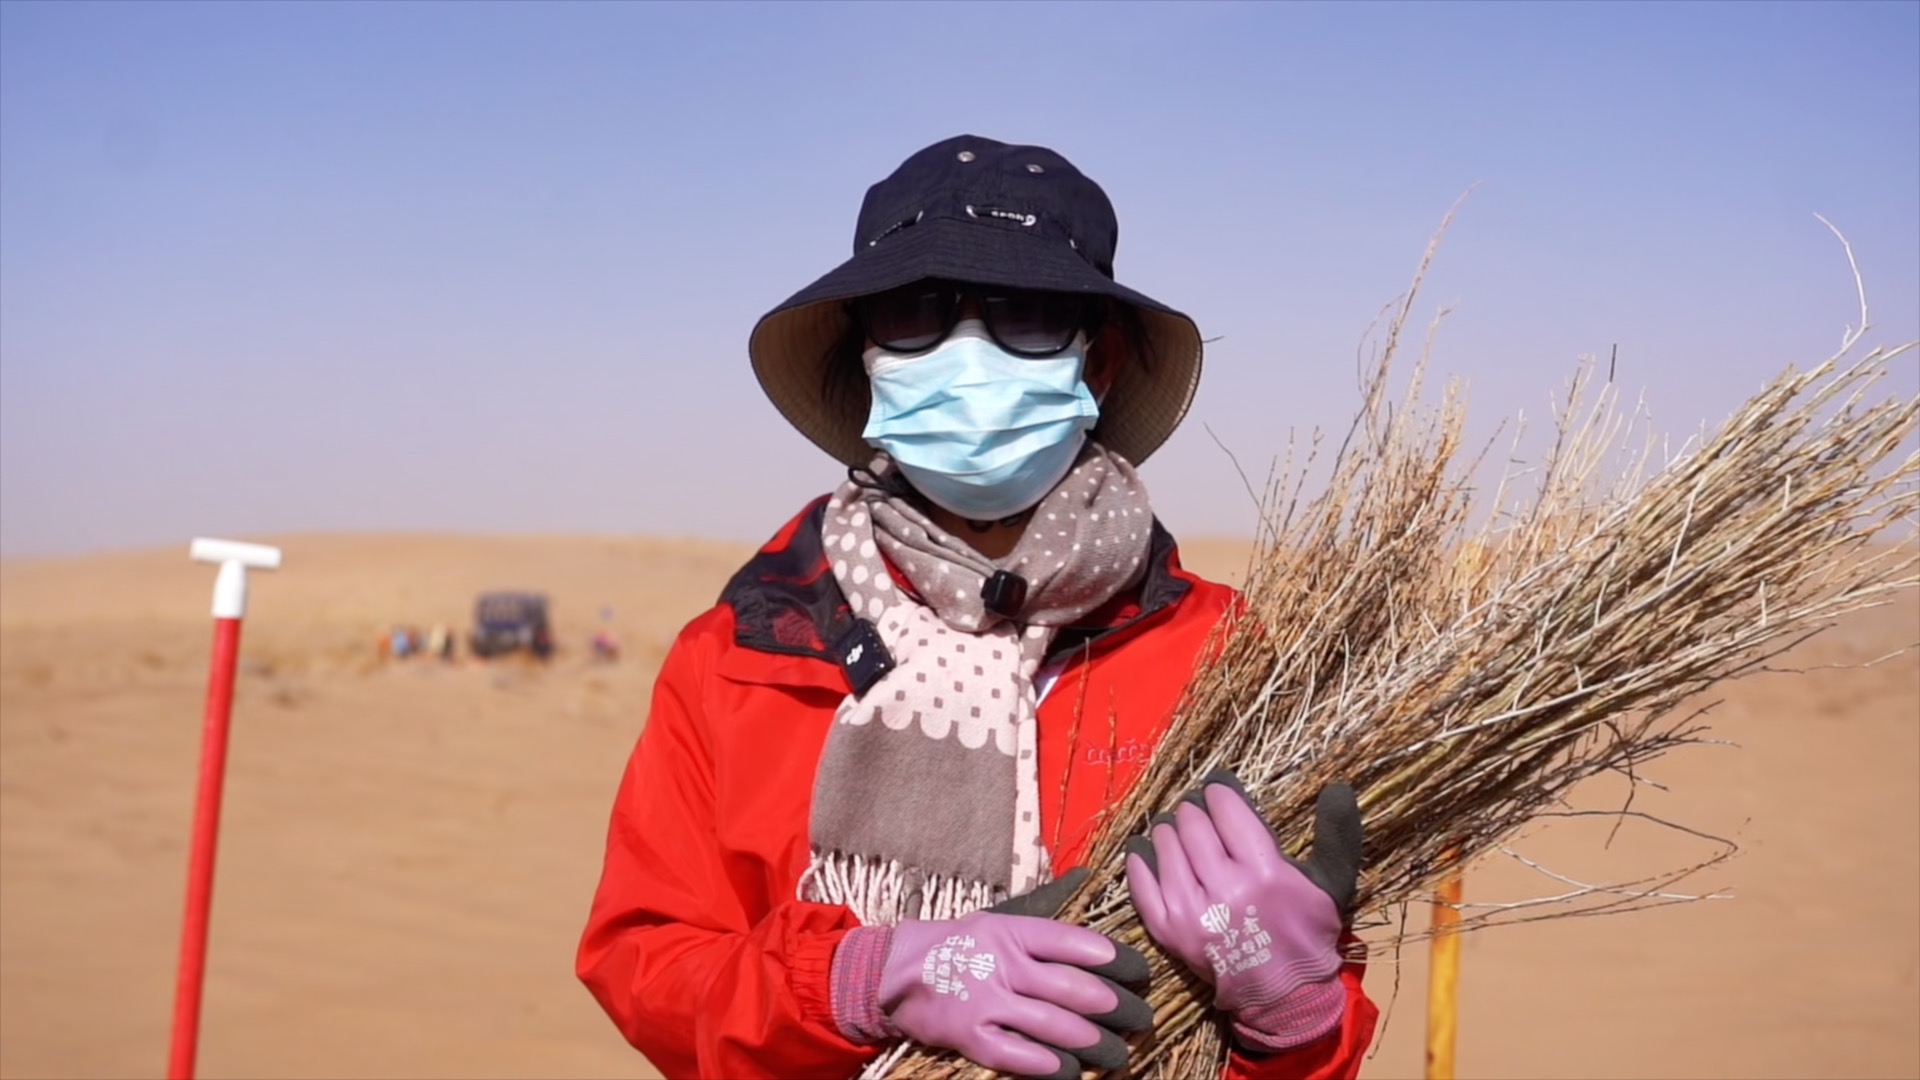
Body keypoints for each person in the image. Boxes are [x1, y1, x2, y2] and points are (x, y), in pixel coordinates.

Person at [577, 135, 1378, 1080]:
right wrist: (853, 980)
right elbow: (647, 968)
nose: (968, 355)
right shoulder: (743, 654)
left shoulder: (1226, 655)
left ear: (1102, 363)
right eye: (915, 314)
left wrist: (1292, 1021)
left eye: (1028, 314)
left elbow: (1304, 1005)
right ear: (868, 358)